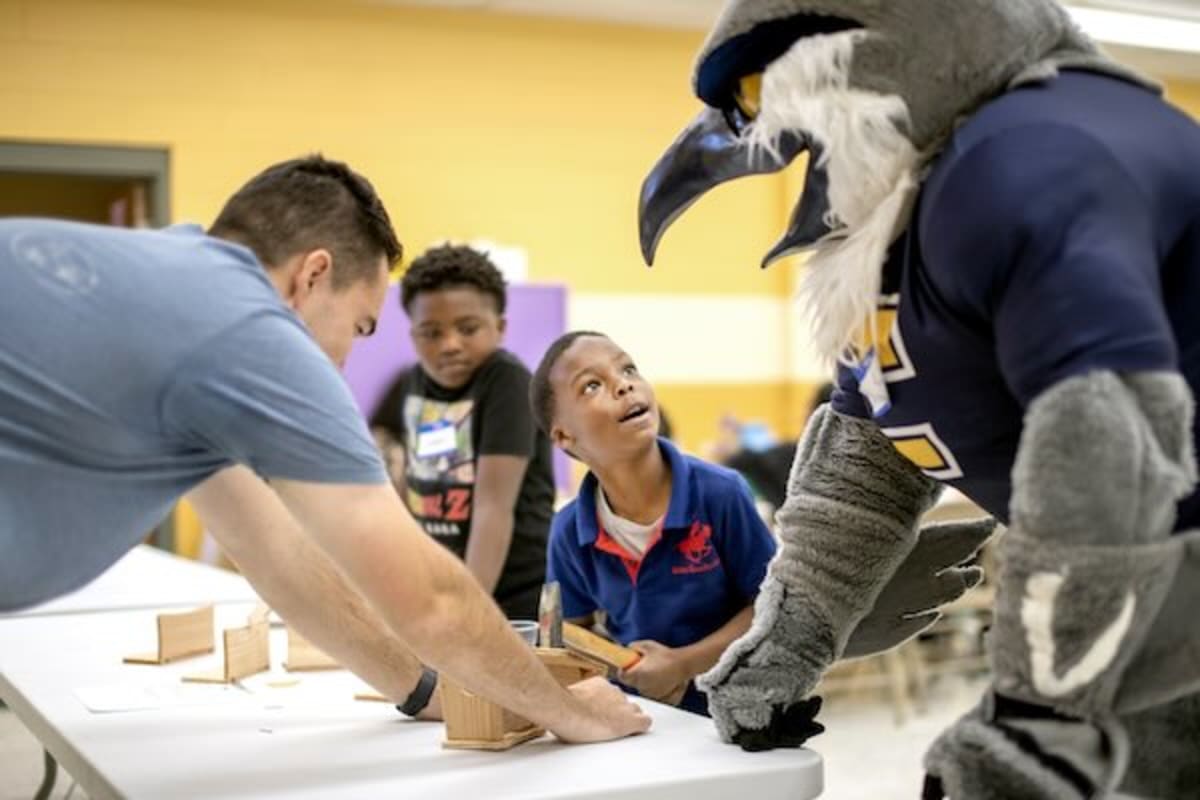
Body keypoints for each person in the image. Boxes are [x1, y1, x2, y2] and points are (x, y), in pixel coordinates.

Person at [0, 155, 649, 744]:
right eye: (360, 327)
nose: (341, 364)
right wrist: (573, 713)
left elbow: (273, 549)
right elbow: (431, 599)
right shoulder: (247, 326)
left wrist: (424, 689)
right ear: (312, 276)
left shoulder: (172, 284)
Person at [529, 331, 777, 715]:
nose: (624, 385)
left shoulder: (721, 493)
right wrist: (621, 672)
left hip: (739, 713)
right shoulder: (567, 532)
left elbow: (774, 604)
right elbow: (566, 635)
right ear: (564, 437)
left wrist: (683, 664)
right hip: (643, 722)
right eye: (592, 385)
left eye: (628, 369)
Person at [370, 244, 554, 619]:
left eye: (467, 329)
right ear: (412, 334)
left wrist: (470, 612)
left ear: (500, 327)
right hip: (445, 586)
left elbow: (493, 508)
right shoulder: (413, 381)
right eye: (431, 332)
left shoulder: (507, 382)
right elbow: (410, 475)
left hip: (509, 596)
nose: (449, 344)